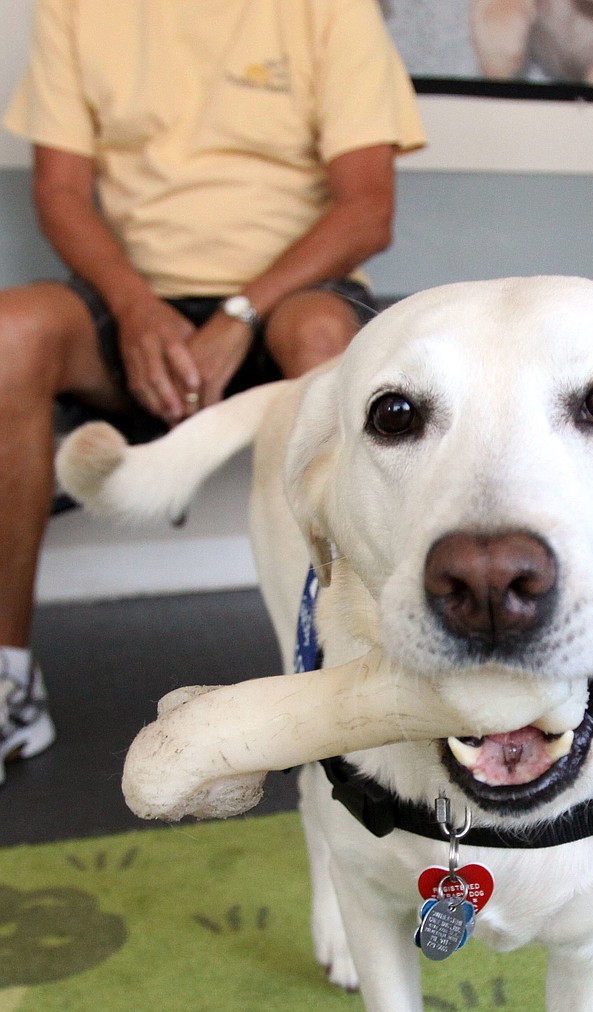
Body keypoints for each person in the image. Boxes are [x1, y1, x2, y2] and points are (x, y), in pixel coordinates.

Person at [0, 0, 425, 785]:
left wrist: (239, 314)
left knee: (323, 344)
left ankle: (349, 676)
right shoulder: (73, 8)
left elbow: (367, 209)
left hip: (288, 295)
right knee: (8, 336)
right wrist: (134, 307)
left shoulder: (330, 10)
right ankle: (9, 683)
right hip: (134, 296)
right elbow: (59, 192)